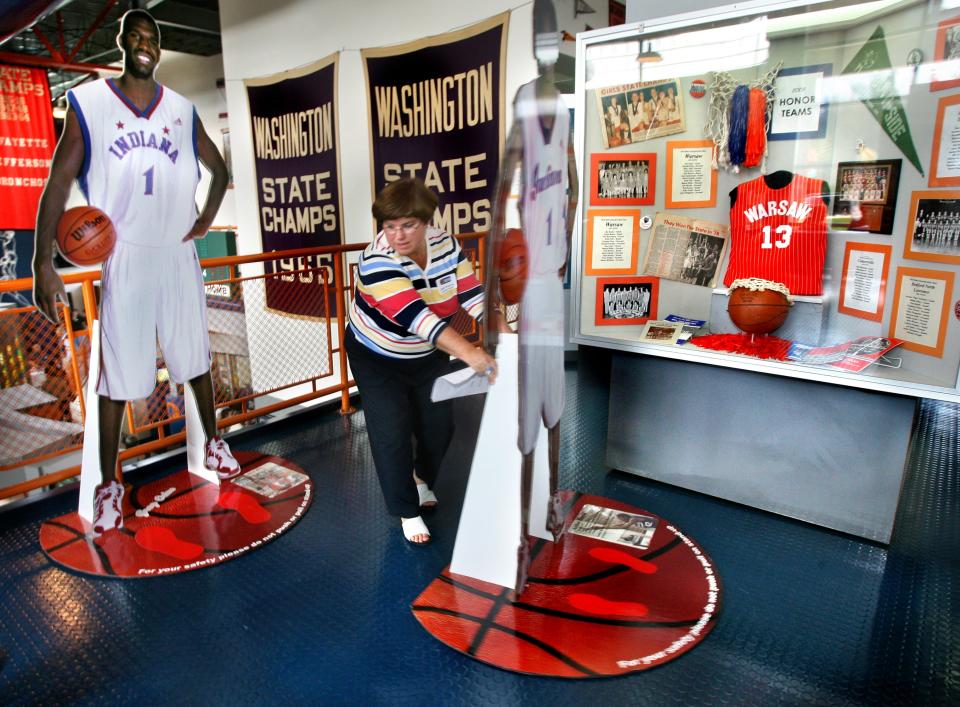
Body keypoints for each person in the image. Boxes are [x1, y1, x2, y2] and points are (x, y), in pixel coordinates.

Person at [32, 9, 239, 536]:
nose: (145, 44)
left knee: (195, 360)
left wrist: (207, 218)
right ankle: (107, 487)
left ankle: (213, 446)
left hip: (176, 250)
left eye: (154, 38)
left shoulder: (182, 109)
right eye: (137, 36)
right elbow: (58, 184)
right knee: (116, 379)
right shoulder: (91, 103)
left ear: (160, 47)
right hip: (124, 254)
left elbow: (221, 171)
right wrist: (41, 262)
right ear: (121, 41)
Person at [346, 177, 503, 546]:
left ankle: (420, 479)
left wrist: (504, 331)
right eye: (389, 227)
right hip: (376, 356)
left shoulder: (445, 245)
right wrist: (470, 352)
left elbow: (471, 293)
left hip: (426, 353)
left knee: (439, 426)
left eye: (408, 225)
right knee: (392, 433)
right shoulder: (375, 262)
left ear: (427, 221)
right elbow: (420, 318)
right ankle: (407, 510)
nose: (398, 236)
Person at [484, 0, 579, 594]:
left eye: (554, 33)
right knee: (526, 412)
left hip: (554, 282)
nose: (548, 41)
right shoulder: (525, 101)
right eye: (540, 31)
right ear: (534, 41)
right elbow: (500, 191)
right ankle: (520, 530)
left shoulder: (563, 110)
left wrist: (572, 237)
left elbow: (575, 177)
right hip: (529, 286)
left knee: (556, 403)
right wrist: (494, 291)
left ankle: (549, 505)